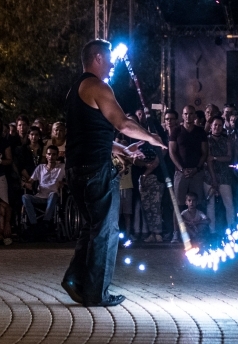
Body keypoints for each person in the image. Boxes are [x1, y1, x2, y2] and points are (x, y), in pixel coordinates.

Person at [61, 39, 167, 307]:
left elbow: (94, 134)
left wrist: (122, 148)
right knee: (106, 232)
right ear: (97, 57)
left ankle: (75, 279)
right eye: (109, 59)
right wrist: (151, 137)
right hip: (96, 170)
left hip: (76, 168)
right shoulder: (97, 86)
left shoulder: (75, 90)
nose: (111, 65)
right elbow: (122, 122)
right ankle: (97, 293)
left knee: (91, 228)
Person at [168, 105, 208, 243]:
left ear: (194, 116)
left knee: (198, 202)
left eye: (191, 114)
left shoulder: (200, 132)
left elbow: (204, 152)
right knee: (178, 204)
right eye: (186, 114)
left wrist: (197, 168)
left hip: (196, 172)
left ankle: (199, 232)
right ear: (182, 115)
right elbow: (172, 152)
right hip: (181, 173)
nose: (188, 116)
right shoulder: (176, 131)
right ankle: (176, 233)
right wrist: (180, 169)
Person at [21, 145, 65, 234]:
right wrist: (26, 184)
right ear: (46, 155)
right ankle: (34, 224)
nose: (51, 157)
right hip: (40, 195)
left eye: (53, 154)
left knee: (53, 194)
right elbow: (31, 181)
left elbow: (69, 180)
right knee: (25, 197)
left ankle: (46, 222)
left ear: (57, 156)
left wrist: (63, 184)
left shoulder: (62, 167)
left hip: (53, 196)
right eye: (49, 154)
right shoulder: (40, 167)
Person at [204, 116, 236, 235]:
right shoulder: (206, 140)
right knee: (210, 204)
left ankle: (231, 229)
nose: (217, 127)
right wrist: (213, 178)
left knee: (229, 203)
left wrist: (216, 158)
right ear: (211, 126)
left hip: (224, 175)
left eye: (219, 125)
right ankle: (212, 231)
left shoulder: (226, 140)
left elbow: (229, 157)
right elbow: (208, 159)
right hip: (209, 176)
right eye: (215, 125)